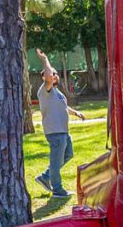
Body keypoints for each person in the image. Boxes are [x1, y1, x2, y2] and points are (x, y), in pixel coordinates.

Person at [34, 49, 85, 198]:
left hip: (63, 131)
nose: (54, 75)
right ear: (44, 77)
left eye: (56, 73)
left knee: (68, 154)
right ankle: (57, 190)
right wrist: (45, 59)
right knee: (56, 161)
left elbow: (63, 107)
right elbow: (49, 76)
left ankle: (45, 176)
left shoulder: (57, 92)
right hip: (55, 132)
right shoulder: (45, 90)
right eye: (52, 73)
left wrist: (76, 113)